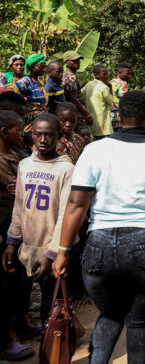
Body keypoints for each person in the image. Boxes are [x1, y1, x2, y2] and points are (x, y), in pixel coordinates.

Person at [52, 90, 145, 364]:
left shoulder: (93, 150)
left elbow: (77, 205)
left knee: (110, 314)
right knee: (139, 321)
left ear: (119, 118)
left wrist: (63, 250)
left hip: (98, 247)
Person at [3, 114, 74, 325]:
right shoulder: (24, 165)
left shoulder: (66, 169)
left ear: (58, 136)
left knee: (52, 310)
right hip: (28, 246)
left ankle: (52, 351)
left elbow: (65, 214)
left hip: (54, 249)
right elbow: (19, 205)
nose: (43, 140)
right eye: (38, 134)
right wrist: (12, 241)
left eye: (49, 135)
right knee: (17, 298)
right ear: (31, 134)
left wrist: (51, 253)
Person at [0, 110, 34, 362]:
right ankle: (4, 341)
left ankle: (22, 324)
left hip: (17, 225)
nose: (21, 133)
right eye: (17, 128)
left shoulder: (16, 155)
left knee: (21, 280)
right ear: (4, 132)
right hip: (3, 227)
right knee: (5, 286)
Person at [10, 54, 47, 129]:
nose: (44, 69)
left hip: (40, 118)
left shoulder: (38, 81)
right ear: (32, 67)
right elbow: (12, 89)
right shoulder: (27, 80)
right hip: (30, 122)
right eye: (41, 67)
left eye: (44, 67)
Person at [81, 65, 114, 140]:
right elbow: (111, 101)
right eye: (104, 74)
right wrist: (110, 88)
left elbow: (80, 95)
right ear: (96, 75)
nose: (106, 76)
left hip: (92, 124)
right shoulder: (104, 87)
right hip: (104, 127)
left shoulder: (89, 84)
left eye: (107, 74)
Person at [61, 51, 93, 127]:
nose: (78, 62)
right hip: (73, 113)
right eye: (74, 61)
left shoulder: (64, 75)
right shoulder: (71, 77)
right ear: (66, 62)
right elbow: (73, 99)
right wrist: (87, 115)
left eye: (78, 60)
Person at [110, 62, 132, 132]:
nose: (129, 76)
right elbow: (124, 100)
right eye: (127, 74)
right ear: (120, 72)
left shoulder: (111, 81)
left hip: (111, 112)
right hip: (119, 113)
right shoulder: (123, 84)